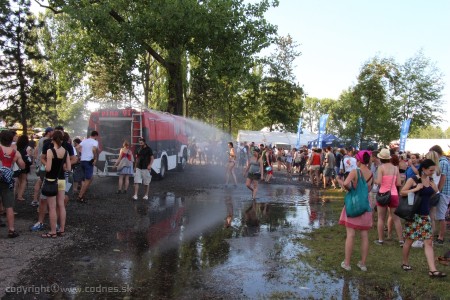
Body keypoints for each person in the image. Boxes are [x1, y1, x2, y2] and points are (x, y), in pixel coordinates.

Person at [400, 159, 446, 278]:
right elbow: (402, 192)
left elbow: (430, 195)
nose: (433, 172)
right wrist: (415, 189)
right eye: (431, 170)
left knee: (428, 242)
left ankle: (433, 270)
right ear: (424, 169)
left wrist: (435, 190)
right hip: (414, 215)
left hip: (425, 215)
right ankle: (405, 263)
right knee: (409, 240)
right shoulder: (414, 179)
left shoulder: (430, 180)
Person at [336, 150, 373, 271]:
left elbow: (346, 184)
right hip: (366, 206)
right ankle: (363, 263)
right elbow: (369, 189)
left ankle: (347, 263)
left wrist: (341, 182)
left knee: (351, 234)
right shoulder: (371, 174)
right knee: (364, 235)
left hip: (354, 204)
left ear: (359, 160)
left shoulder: (355, 171)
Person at [41, 130, 71, 238]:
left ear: (52, 139)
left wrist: (45, 166)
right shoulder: (66, 151)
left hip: (51, 180)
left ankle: (53, 231)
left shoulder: (50, 151)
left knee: (52, 207)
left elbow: (48, 168)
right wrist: (62, 167)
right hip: (61, 180)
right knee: (61, 205)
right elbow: (69, 168)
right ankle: (62, 230)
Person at [374, 148, 403, 247]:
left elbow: (379, 182)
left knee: (381, 218)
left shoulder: (381, 168)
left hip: (383, 194)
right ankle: (401, 241)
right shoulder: (395, 168)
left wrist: (374, 180)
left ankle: (381, 240)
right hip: (394, 194)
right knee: (396, 219)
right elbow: (398, 183)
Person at [0, 130, 25, 238]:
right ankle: (11, 230)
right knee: (9, 206)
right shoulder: (15, 152)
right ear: (11, 140)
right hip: (7, 180)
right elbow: (23, 166)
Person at [429, 145, 450, 246]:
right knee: (438, 215)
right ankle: (438, 235)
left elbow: (443, 178)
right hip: (443, 192)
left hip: (443, 192)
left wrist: (438, 191)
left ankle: (441, 237)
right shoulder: (443, 162)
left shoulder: (442, 163)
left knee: (441, 216)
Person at [31, 127, 53, 207]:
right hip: (44, 164)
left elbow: (36, 150)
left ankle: (35, 199)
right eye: (52, 131)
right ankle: (40, 202)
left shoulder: (41, 139)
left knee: (40, 180)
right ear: (49, 132)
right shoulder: (46, 141)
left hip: (40, 163)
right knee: (43, 182)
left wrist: (36, 161)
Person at [77, 130, 99, 203]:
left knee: (87, 179)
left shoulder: (85, 140)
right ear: (95, 136)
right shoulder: (95, 142)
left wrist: (81, 153)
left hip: (82, 160)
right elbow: (93, 149)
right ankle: (80, 196)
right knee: (88, 179)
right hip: (89, 161)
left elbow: (77, 147)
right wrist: (95, 158)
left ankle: (82, 194)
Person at [15, 135, 32, 201]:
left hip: (17, 164)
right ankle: (20, 196)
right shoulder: (28, 147)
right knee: (24, 180)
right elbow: (29, 157)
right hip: (25, 165)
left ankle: (17, 193)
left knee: (19, 180)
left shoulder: (17, 146)